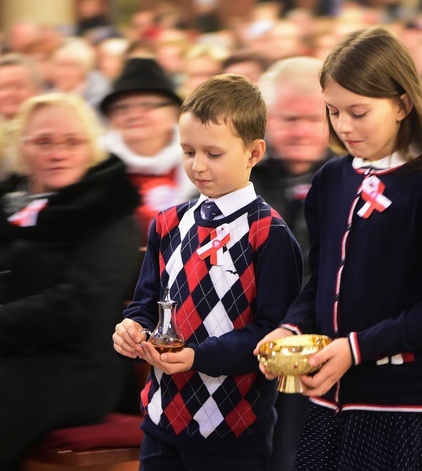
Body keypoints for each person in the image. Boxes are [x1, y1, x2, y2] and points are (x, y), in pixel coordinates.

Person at [254, 26, 422, 470]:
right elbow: (320, 281)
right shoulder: (331, 179)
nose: (343, 126)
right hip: (331, 400)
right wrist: (291, 331)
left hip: (405, 405)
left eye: (359, 112)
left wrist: (355, 349)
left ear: (402, 103)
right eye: (333, 111)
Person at [111, 74, 303, 470]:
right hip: (161, 419)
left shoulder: (269, 234)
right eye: (187, 151)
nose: (197, 166)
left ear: (254, 153)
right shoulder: (167, 223)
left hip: (232, 429)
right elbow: (147, 305)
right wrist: (131, 329)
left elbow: (269, 334)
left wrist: (198, 357)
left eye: (213, 154)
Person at [0, 93, 142, 471]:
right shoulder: (12, 206)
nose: (57, 152)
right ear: (22, 147)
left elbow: (79, 306)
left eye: (72, 142)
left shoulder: (109, 213)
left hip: (75, 367)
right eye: (44, 142)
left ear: (91, 147)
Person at [254, 56, 333, 471]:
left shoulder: (350, 177)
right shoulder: (244, 177)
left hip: (328, 335)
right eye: (288, 118)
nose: (300, 131)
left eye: (311, 118)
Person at [100, 57, 195, 242]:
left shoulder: (203, 156)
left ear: (174, 111)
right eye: (122, 108)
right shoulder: (96, 164)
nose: (134, 115)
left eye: (147, 105)